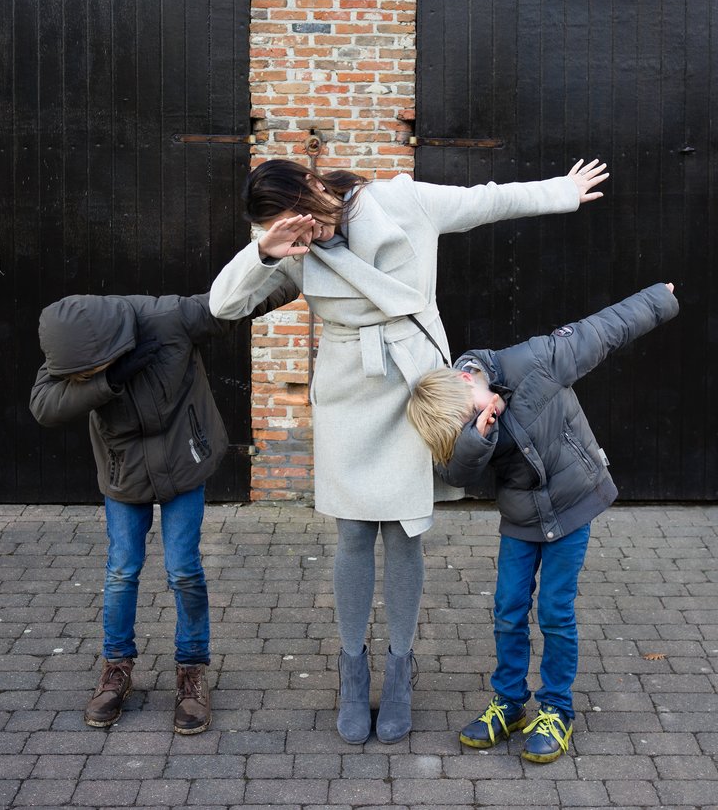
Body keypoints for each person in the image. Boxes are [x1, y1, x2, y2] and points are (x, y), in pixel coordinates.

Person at [209, 157, 608, 744]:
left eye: (308, 219)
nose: (310, 234)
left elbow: (486, 200)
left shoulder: (400, 202)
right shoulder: (290, 245)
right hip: (349, 395)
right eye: (291, 228)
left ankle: (399, 668)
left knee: (404, 531)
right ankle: (352, 671)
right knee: (351, 534)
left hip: (414, 389)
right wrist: (266, 251)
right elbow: (224, 305)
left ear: (317, 187)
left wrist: (563, 190)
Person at [405, 282, 679, 762]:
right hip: (521, 515)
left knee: (555, 610)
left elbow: (602, 331)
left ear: (470, 381)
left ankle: (557, 710)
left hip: (574, 502)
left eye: (473, 415)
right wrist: (476, 436)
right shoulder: (460, 418)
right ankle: (509, 704)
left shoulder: (535, 363)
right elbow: (455, 472)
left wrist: (657, 299)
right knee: (508, 608)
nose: (477, 422)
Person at [29, 286, 294, 733]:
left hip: (183, 459)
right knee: (122, 569)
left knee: (183, 569)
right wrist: (105, 382)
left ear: (109, 346)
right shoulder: (73, 347)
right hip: (123, 472)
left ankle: (191, 672)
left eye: (89, 372)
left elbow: (240, 300)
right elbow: (44, 405)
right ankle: (117, 669)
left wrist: (295, 267)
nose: (81, 378)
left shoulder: (171, 318)